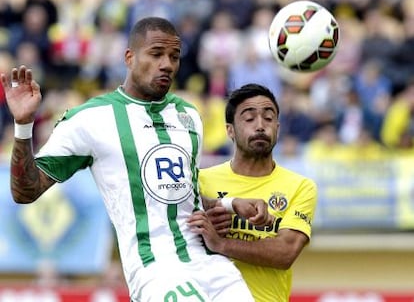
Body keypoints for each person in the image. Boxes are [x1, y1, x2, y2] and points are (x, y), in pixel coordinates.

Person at [1, 17, 271, 302]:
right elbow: (25, 191)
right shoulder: (90, 119)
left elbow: (179, 194)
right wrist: (23, 126)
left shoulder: (189, 115)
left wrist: (228, 204)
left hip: (213, 267)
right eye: (156, 54)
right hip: (156, 271)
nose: (167, 64)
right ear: (129, 58)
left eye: (174, 56)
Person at [188, 83, 318, 302]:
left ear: (277, 127)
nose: (260, 126)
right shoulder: (201, 180)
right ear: (230, 130)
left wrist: (222, 244)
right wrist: (226, 206)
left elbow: (285, 253)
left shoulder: (300, 186)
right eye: (249, 119)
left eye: (268, 119)